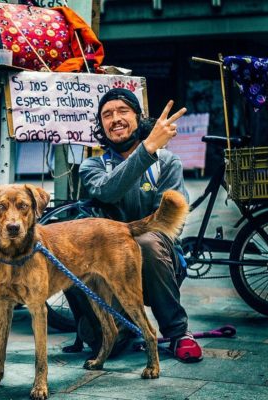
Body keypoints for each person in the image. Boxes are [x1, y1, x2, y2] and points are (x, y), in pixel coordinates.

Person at [78, 88, 203, 363]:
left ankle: (178, 332)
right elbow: (108, 191)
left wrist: (148, 150)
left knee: (146, 242)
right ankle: (114, 327)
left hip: (156, 261)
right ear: (102, 125)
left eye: (123, 111)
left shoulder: (167, 161)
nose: (115, 119)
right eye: (107, 115)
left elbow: (168, 222)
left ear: (138, 116)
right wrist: (147, 149)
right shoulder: (91, 166)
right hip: (107, 265)